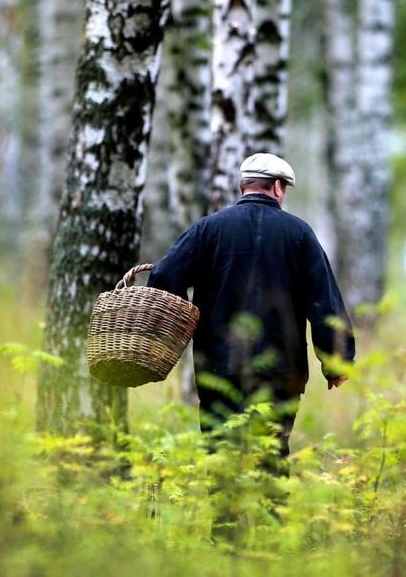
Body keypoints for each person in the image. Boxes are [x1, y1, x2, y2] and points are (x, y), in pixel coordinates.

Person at [148, 152, 355, 463]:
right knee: (271, 459)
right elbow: (324, 302)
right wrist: (336, 361)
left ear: (243, 187)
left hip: (218, 368)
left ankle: (224, 513)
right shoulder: (299, 233)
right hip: (280, 373)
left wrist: (180, 326)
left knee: (221, 457)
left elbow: (163, 275)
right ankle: (268, 510)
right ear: (276, 187)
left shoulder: (207, 230)